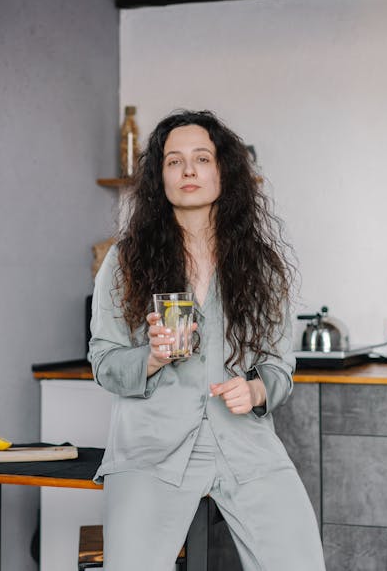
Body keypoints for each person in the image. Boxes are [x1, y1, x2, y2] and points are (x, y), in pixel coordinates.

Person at [89, 110, 326, 571]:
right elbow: (104, 362)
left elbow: (279, 365)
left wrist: (257, 388)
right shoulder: (125, 260)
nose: (189, 170)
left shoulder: (262, 266)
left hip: (244, 444)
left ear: (224, 171)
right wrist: (152, 358)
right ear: (160, 178)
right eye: (174, 161)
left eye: (202, 157)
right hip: (150, 449)